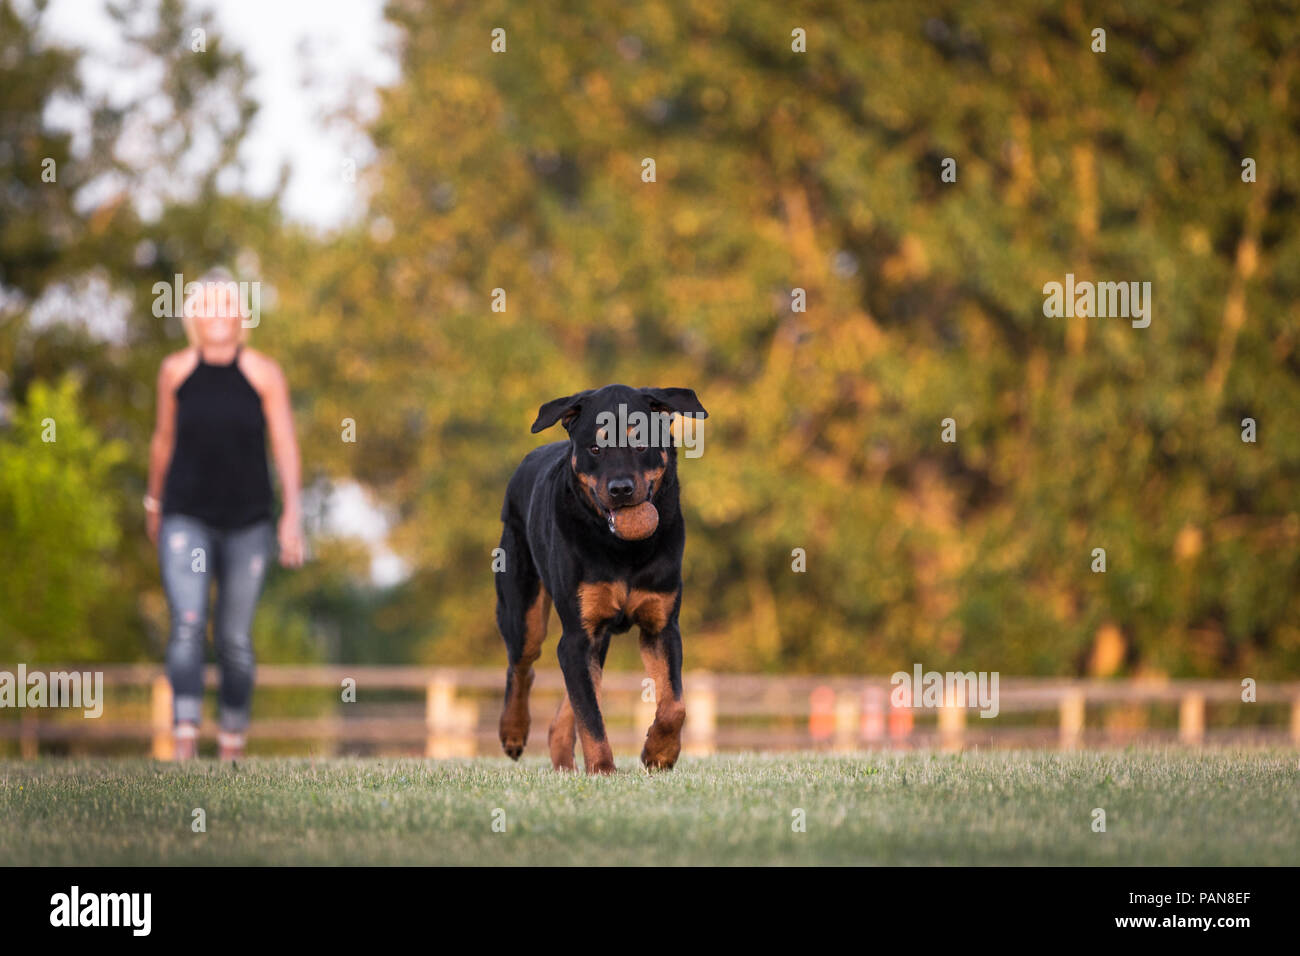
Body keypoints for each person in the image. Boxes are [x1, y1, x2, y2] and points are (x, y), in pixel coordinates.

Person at [145, 271, 304, 760]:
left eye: (227, 305)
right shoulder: (175, 371)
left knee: (234, 637)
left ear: (242, 317)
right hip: (186, 514)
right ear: (193, 316)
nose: (217, 314)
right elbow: (163, 440)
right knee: (189, 623)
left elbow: (284, 443)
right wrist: (153, 502)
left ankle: (232, 740)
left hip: (248, 522)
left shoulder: (263, 373)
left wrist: (292, 514)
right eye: (207, 305)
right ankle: (186, 737)